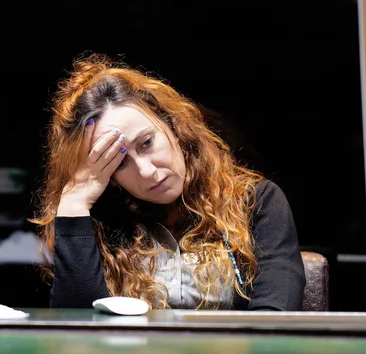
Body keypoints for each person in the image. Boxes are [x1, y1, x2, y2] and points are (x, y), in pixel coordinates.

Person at [30, 52, 305, 311]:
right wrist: (75, 202)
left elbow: (274, 319)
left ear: (172, 126)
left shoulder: (255, 203)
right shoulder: (102, 227)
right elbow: (76, 329)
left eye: (147, 143)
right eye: (120, 162)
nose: (147, 171)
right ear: (109, 177)